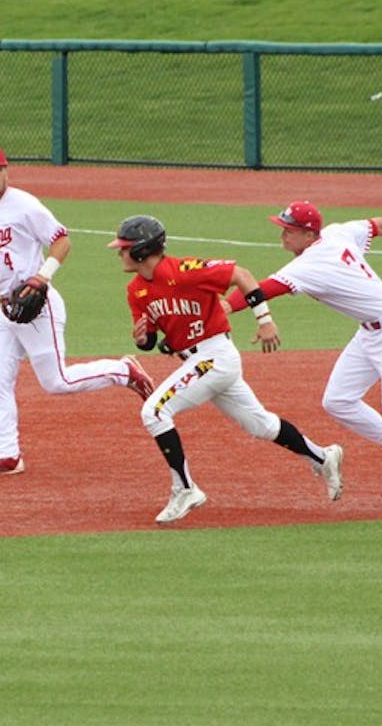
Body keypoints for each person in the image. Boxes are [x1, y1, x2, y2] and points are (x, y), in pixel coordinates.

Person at [227, 200, 382, 509]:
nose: (282, 236)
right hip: (371, 332)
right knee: (338, 400)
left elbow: (260, 289)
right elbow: (379, 225)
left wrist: (222, 309)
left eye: (288, 231)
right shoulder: (337, 233)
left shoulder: (309, 264)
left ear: (308, 235)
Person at [108, 214, 343, 524]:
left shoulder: (184, 270)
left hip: (215, 356)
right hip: (199, 361)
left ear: (141, 250)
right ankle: (323, 457)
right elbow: (150, 340)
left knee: (154, 412)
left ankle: (185, 488)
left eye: (124, 248)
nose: (119, 253)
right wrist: (143, 338)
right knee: (261, 425)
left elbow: (241, 275)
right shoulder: (136, 290)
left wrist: (265, 319)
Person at [0, 146, 153, 475]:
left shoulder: (25, 205)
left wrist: (42, 276)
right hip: (7, 309)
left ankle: (124, 371)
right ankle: (7, 455)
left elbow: (62, 240)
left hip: (37, 306)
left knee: (57, 382)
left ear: (7, 171)